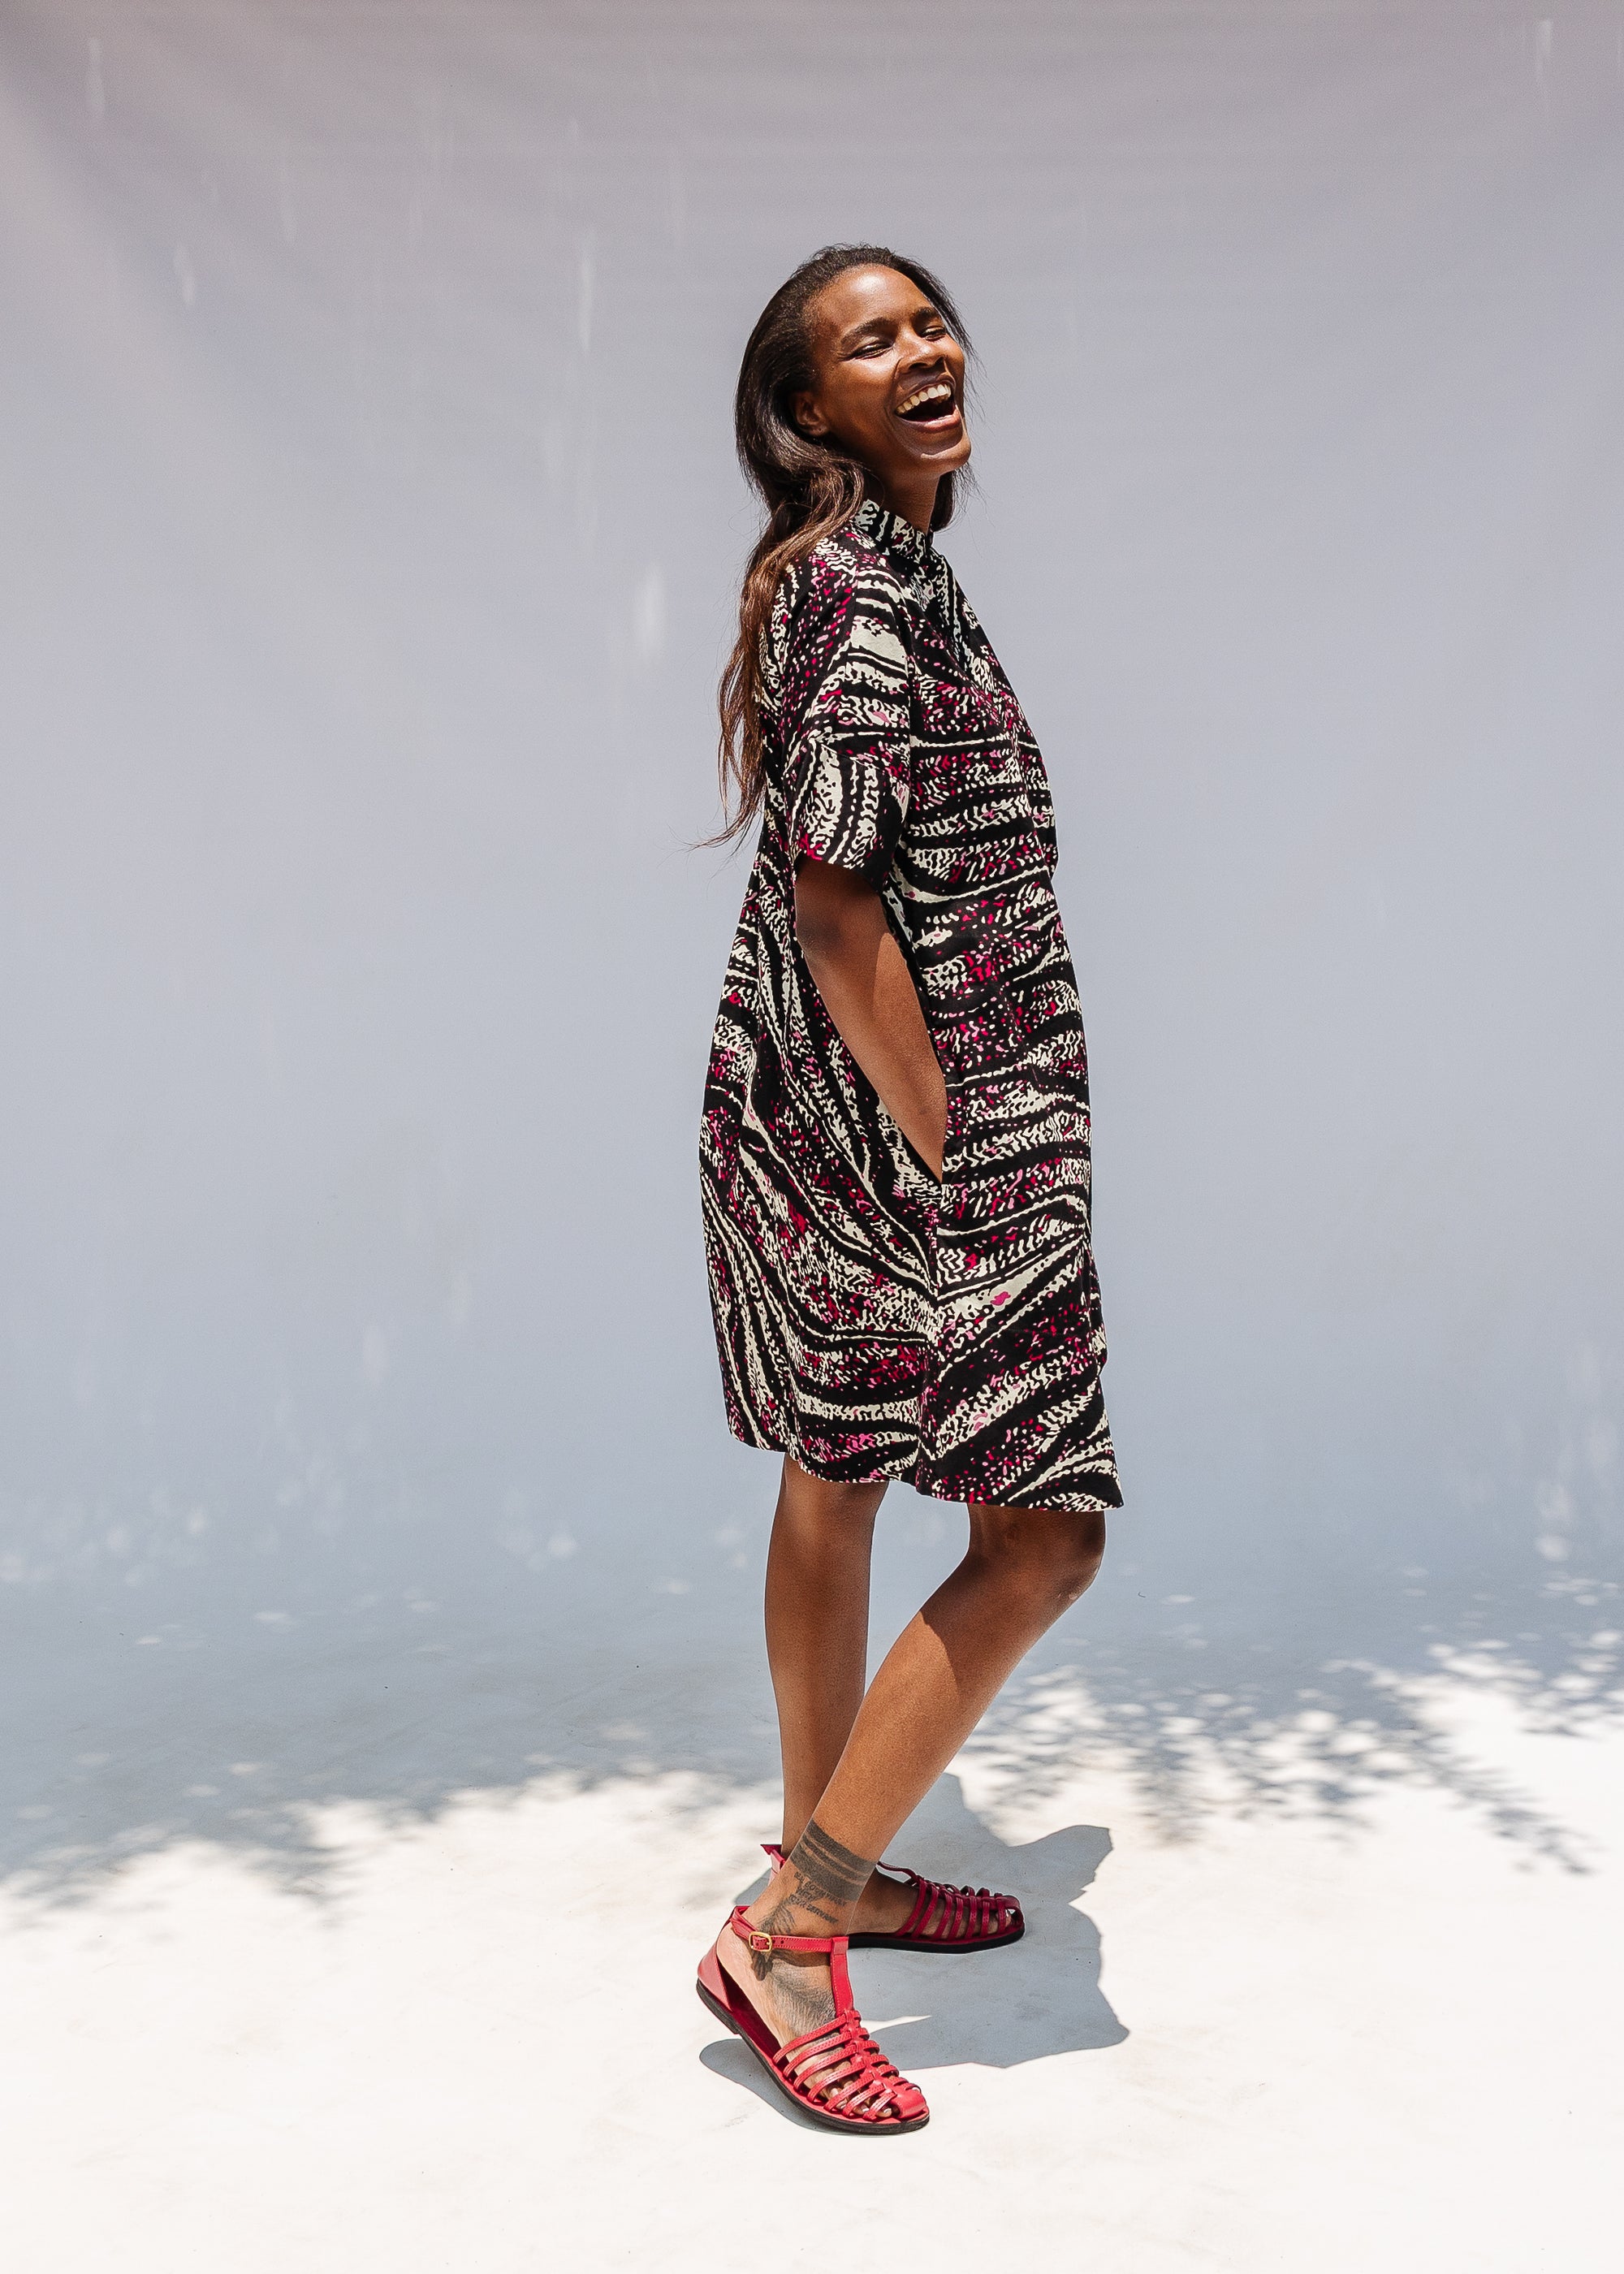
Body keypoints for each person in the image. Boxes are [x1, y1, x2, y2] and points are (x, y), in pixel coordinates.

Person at [696, 244, 1121, 2135]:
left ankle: (832, 1858)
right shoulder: (861, 595)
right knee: (1046, 1533)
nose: (921, 346)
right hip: (895, 1131)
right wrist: (962, 1145)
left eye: (929, 318)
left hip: (833, 1116)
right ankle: (793, 1930)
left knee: (841, 1460)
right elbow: (830, 891)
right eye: (869, 342)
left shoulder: (889, 581)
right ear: (811, 415)